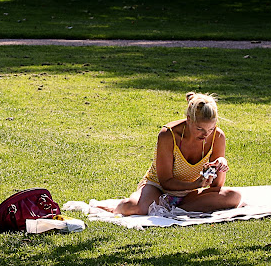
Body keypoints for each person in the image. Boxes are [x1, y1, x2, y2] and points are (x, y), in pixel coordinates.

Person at [94, 92, 242, 215]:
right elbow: (165, 181)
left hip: (189, 193)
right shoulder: (168, 134)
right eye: (199, 129)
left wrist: (221, 165)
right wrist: (195, 184)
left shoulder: (217, 136)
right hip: (158, 188)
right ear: (188, 120)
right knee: (133, 207)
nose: (205, 134)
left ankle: (171, 209)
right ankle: (115, 208)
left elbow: (216, 186)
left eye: (210, 129)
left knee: (233, 197)